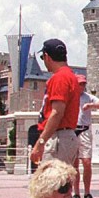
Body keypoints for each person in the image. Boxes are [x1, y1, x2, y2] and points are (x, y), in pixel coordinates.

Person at [30, 38, 79, 166]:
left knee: (51, 177)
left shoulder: (60, 77)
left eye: (42, 57)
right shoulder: (70, 75)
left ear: (47, 56)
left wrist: (40, 142)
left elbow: (57, 113)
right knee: (62, 177)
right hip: (64, 136)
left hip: (58, 137)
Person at [73, 75, 99, 198]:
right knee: (74, 164)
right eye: (80, 84)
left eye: (83, 84)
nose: (82, 86)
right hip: (72, 130)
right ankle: (76, 193)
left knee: (86, 162)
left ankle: (87, 192)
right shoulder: (70, 96)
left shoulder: (87, 97)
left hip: (84, 129)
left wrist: (91, 105)